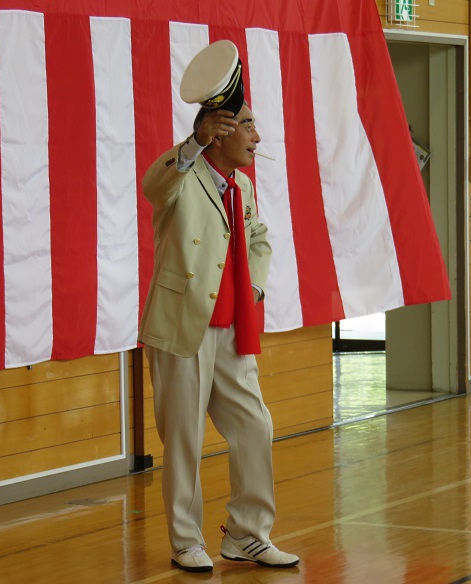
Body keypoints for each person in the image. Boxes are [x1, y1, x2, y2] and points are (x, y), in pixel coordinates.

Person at [139, 102, 299, 573]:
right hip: (182, 327)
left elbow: (258, 237)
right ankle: (187, 541)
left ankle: (247, 534)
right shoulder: (181, 176)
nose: (257, 137)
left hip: (232, 328)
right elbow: (153, 186)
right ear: (218, 132)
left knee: (255, 425)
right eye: (248, 125)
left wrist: (254, 288)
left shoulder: (242, 185)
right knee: (184, 438)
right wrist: (193, 144)